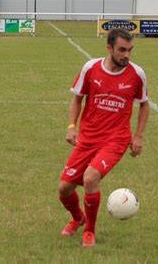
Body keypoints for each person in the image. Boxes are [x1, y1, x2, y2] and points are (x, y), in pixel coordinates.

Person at [58, 28, 150, 248]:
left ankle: (89, 231)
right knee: (64, 189)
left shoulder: (137, 74)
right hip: (88, 138)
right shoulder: (90, 68)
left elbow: (144, 104)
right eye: (121, 50)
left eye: (129, 50)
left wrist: (137, 136)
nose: (126, 55)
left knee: (90, 178)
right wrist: (72, 127)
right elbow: (77, 99)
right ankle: (78, 218)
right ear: (109, 48)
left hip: (116, 139)